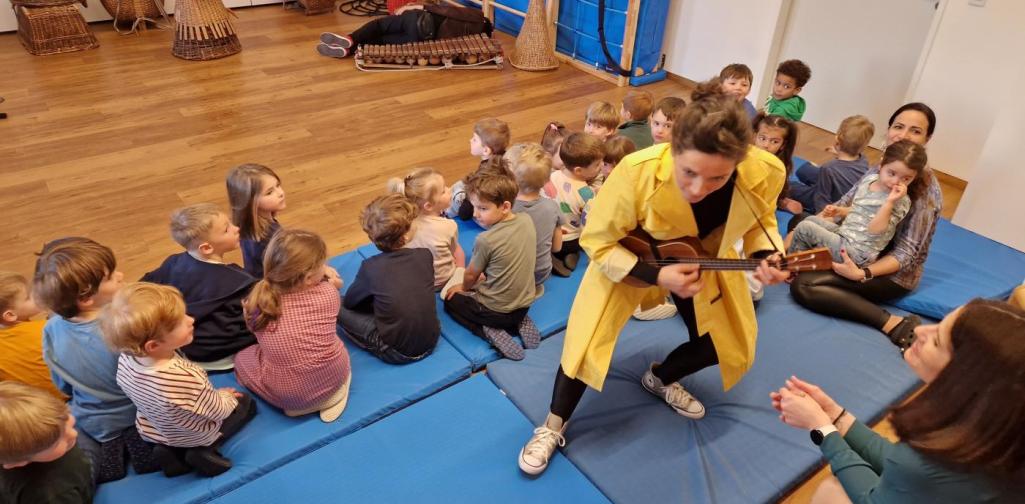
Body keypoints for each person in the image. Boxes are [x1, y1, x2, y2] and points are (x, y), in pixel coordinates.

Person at [518, 89, 790, 476]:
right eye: (688, 172)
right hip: (631, 257)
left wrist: (766, 255)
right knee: (584, 345)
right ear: (674, 148)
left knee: (725, 341)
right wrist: (656, 275)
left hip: (702, 259)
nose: (698, 189)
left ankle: (660, 377)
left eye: (717, 178)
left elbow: (761, 222)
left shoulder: (765, 171)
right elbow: (598, 240)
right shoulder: (638, 170)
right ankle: (553, 424)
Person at [771, 299, 1025, 503]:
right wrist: (837, 417)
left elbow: (895, 481)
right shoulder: (995, 427)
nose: (919, 330)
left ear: (963, 377)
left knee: (829, 493)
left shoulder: (941, 457)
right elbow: (903, 467)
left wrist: (821, 429)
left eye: (937, 340)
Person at [790, 103, 942, 351]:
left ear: (927, 139)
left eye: (915, 131)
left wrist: (863, 274)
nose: (903, 135)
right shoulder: (883, 167)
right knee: (800, 221)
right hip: (852, 241)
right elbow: (844, 205)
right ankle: (801, 260)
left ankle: (892, 323)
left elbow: (906, 254)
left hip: (885, 270)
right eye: (898, 127)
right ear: (888, 130)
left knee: (805, 285)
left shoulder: (927, 191)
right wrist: (802, 232)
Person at [33, 237, 157, 483]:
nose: (121, 276)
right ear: (86, 298)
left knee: (104, 448)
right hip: (136, 412)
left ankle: (112, 454)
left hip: (92, 419)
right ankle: (141, 450)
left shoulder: (50, 329)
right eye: (110, 277)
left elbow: (62, 385)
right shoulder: (123, 326)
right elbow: (150, 375)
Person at [103, 283, 257, 477]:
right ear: (153, 345)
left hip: (157, 430)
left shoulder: (127, 360)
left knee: (179, 424)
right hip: (194, 434)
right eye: (180, 323)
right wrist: (226, 397)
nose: (191, 320)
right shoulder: (184, 375)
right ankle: (203, 450)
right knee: (246, 404)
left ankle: (170, 452)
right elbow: (216, 410)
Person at [235, 230, 351, 423]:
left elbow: (259, 335)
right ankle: (329, 396)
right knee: (329, 338)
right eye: (322, 265)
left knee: (241, 358)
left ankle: (305, 404)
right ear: (308, 278)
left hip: (289, 397)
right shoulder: (328, 293)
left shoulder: (254, 304)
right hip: (333, 376)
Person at [141, 203, 257, 370]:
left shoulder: (173, 262)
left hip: (186, 347)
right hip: (222, 356)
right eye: (226, 229)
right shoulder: (241, 281)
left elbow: (144, 285)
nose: (236, 228)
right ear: (207, 248)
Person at [787, 140, 925, 272]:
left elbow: (875, 230)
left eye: (906, 178)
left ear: (914, 178)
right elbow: (860, 211)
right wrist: (840, 210)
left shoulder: (900, 201)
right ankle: (802, 261)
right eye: (892, 173)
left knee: (805, 228)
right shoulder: (870, 180)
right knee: (810, 220)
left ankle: (791, 268)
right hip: (844, 235)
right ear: (881, 164)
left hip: (858, 254)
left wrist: (889, 202)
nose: (895, 181)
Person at [443, 173, 539, 361]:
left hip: (495, 313)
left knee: (450, 300)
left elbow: (470, 276)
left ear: (505, 207)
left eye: (483, 208)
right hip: (525, 306)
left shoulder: (485, 240)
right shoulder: (527, 220)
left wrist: (462, 288)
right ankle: (518, 321)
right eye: (474, 207)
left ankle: (487, 330)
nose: (475, 214)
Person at [340, 194, 440, 364]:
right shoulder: (424, 255)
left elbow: (350, 303)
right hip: (432, 339)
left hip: (397, 352)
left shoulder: (370, 267)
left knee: (334, 302)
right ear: (405, 236)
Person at [0, 381, 94, 503]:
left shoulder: (17, 450)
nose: (73, 434)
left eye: (67, 419)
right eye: (57, 443)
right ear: (16, 463)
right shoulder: (52, 494)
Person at [316, 2, 492, 58]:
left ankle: (350, 39)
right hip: (421, 40)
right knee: (382, 41)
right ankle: (349, 50)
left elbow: (448, 11)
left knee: (379, 26)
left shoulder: (478, 16)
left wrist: (418, 6)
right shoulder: (475, 40)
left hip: (419, 20)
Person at [389, 167, 466, 296]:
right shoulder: (449, 225)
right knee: (459, 251)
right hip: (441, 281)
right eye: (443, 191)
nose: (449, 190)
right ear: (428, 206)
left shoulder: (403, 224)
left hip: (415, 280)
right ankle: (459, 275)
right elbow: (452, 251)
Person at [542, 132, 605, 276]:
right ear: (578, 170)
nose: (601, 166)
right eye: (597, 165)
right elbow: (588, 225)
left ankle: (551, 256)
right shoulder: (587, 194)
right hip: (569, 241)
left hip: (547, 236)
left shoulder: (550, 176)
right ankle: (571, 255)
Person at [788, 115, 875, 214]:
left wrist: (821, 216)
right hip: (841, 189)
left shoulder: (829, 168)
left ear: (837, 141)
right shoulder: (863, 159)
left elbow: (821, 199)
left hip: (831, 200)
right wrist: (838, 151)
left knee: (791, 186)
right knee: (803, 170)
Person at [506, 143, 563, 292]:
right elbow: (557, 247)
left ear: (511, 179)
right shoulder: (552, 207)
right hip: (541, 273)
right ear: (546, 179)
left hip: (512, 276)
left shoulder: (506, 209)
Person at [0, 271, 65, 399]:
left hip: (34, 404)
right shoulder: (45, 329)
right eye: (28, 297)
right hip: (67, 395)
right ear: (10, 315)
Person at [227, 163, 287, 279]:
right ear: (250, 202)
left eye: (278, 185)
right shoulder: (267, 237)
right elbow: (286, 270)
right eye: (269, 192)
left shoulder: (251, 226)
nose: (280, 193)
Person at [447, 117, 511, 220]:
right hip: (500, 201)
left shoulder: (486, 173)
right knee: (459, 184)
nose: (470, 140)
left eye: (474, 139)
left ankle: (445, 213)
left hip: (486, 215)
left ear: (486, 150)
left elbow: (465, 212)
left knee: (457, 191)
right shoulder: (504, 159)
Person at [752, 112, 800, 212]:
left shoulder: (779, 167)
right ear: (755, 136)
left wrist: (778, 200)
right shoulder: (744, 157)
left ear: (783, 145)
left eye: (774, 141)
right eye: (762, 138)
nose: (766, 145)